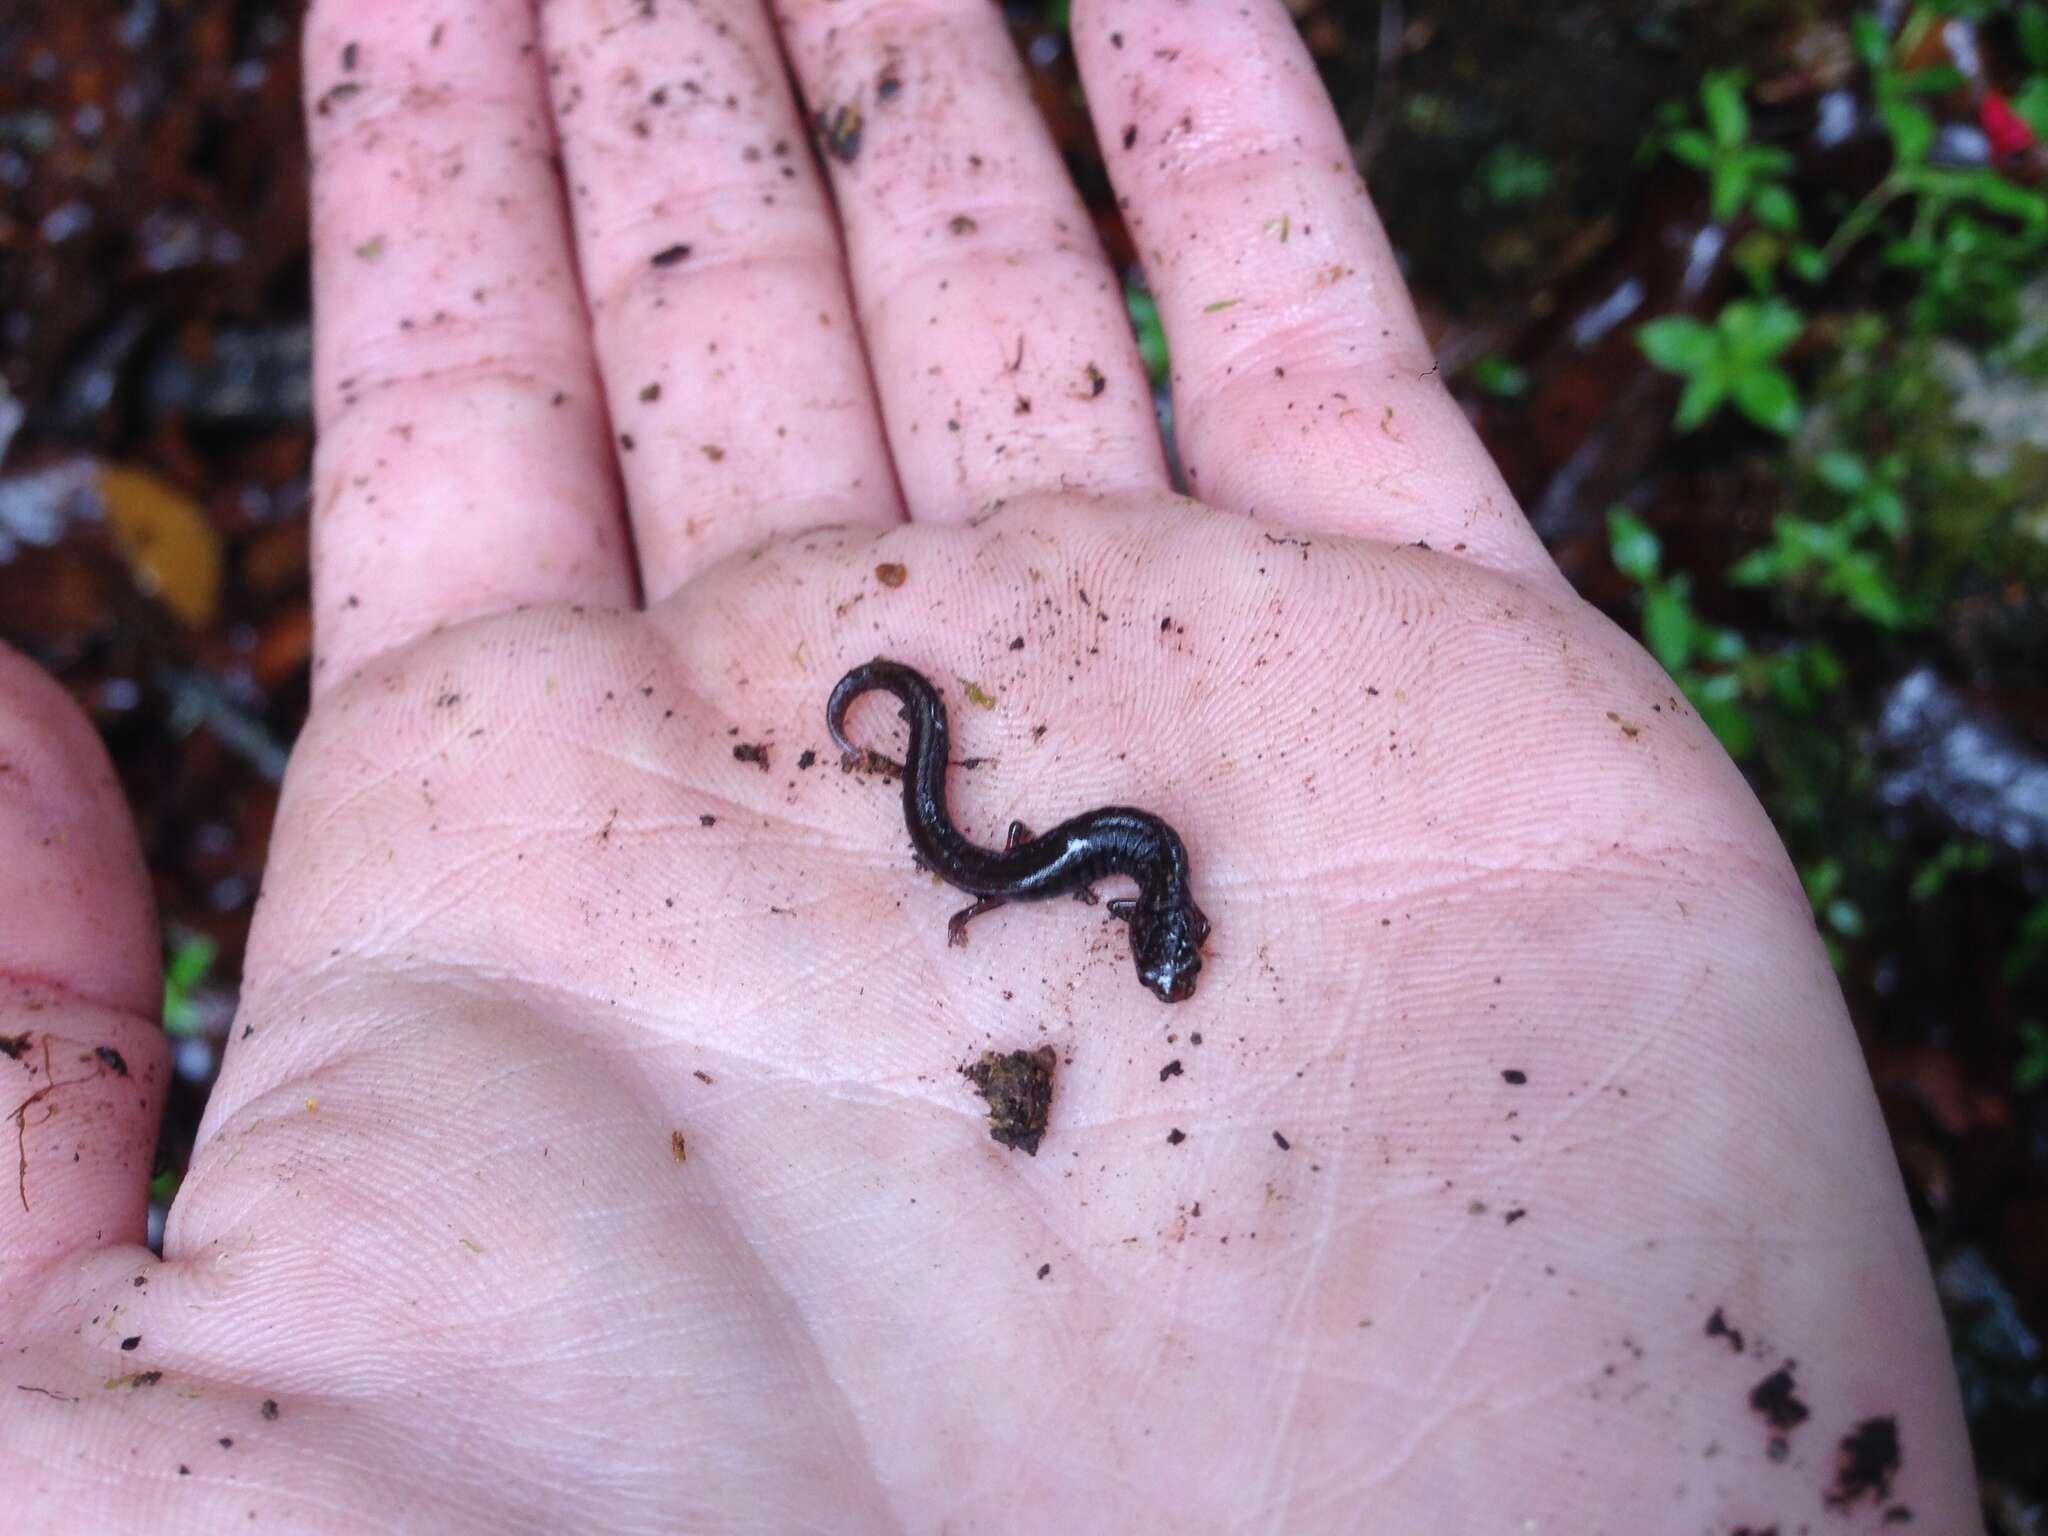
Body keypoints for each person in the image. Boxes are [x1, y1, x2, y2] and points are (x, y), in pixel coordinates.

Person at [0, 0, 1978, 1528]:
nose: (1164, 950)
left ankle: (909, 740)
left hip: (1033, 851)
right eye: (1167, 948)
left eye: (1169, 948)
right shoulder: (1108, 881)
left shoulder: (1121, 884)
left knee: (996, 842)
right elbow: (1105, 868)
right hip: (1028, 851)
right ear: (1158, 933)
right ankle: (904, 736)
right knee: (990, 840)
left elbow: (1117, 868)